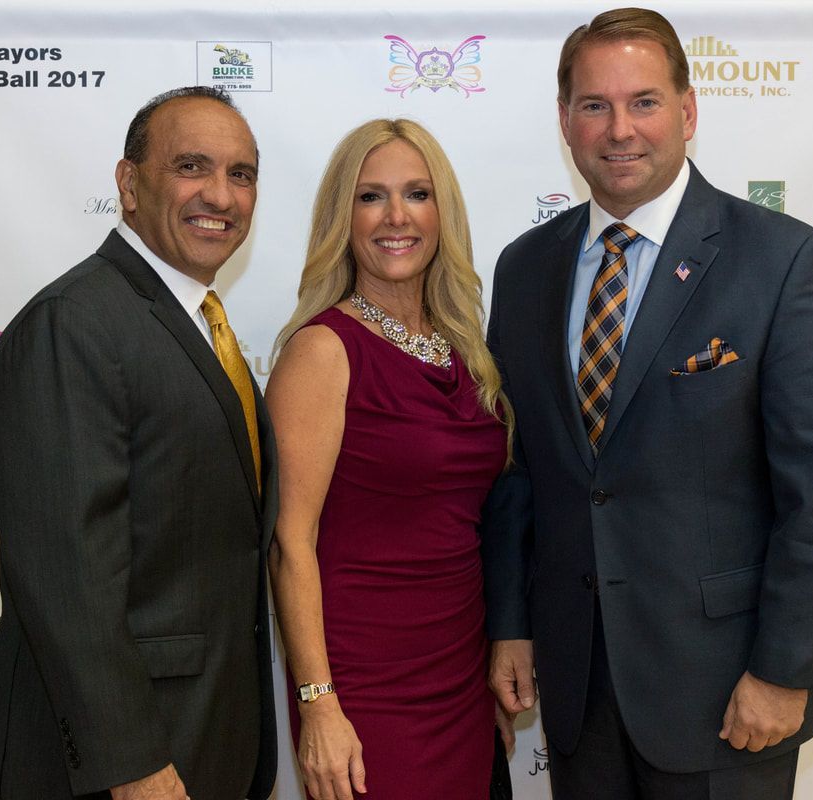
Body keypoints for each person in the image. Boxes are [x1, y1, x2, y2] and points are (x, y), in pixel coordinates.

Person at [481, 7, 813, 799]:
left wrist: (785, 669)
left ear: (688, 112)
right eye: (594, 105)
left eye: (644, 102)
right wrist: (512, 623)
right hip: (577, 687)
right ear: (565, 121)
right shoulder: (525, 269)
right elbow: (520, 472)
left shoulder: (784, 260)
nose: (619, 129)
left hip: (729, 692)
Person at [0, 86, 278, 800]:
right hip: (119, 766)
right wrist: (132, 764)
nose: (221, 194)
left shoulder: (200, 323)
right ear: (129, 182)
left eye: (241, 174)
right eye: (192, 166)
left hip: (206, 737)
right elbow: (66, 575)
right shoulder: (72, 324)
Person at [266, 118, 510, 800]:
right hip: (364, 687)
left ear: (443, 212)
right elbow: (290, 542)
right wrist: (318, 702)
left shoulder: (465, 348)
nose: (396, 216)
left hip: (460, 677)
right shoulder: (323, 351)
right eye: (371, 197)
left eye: (417, 194)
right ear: (342, 218)